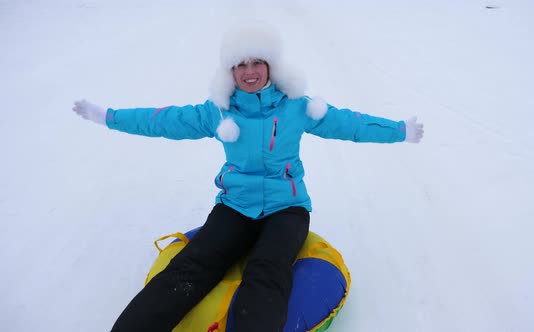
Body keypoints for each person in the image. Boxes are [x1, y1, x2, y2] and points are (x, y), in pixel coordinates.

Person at [73, 21, 423, 332]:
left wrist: (399, 130)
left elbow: (352, 124)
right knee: (191, 268)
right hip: (235, 206)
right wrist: (108, 116)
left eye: (257, 62)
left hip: (287, 209)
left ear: (271, 66)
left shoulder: (297, 106)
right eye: (240, 64)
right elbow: (161, 120)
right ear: (230, 71)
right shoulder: (217, 112)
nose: (249, 71)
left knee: (267, 274)